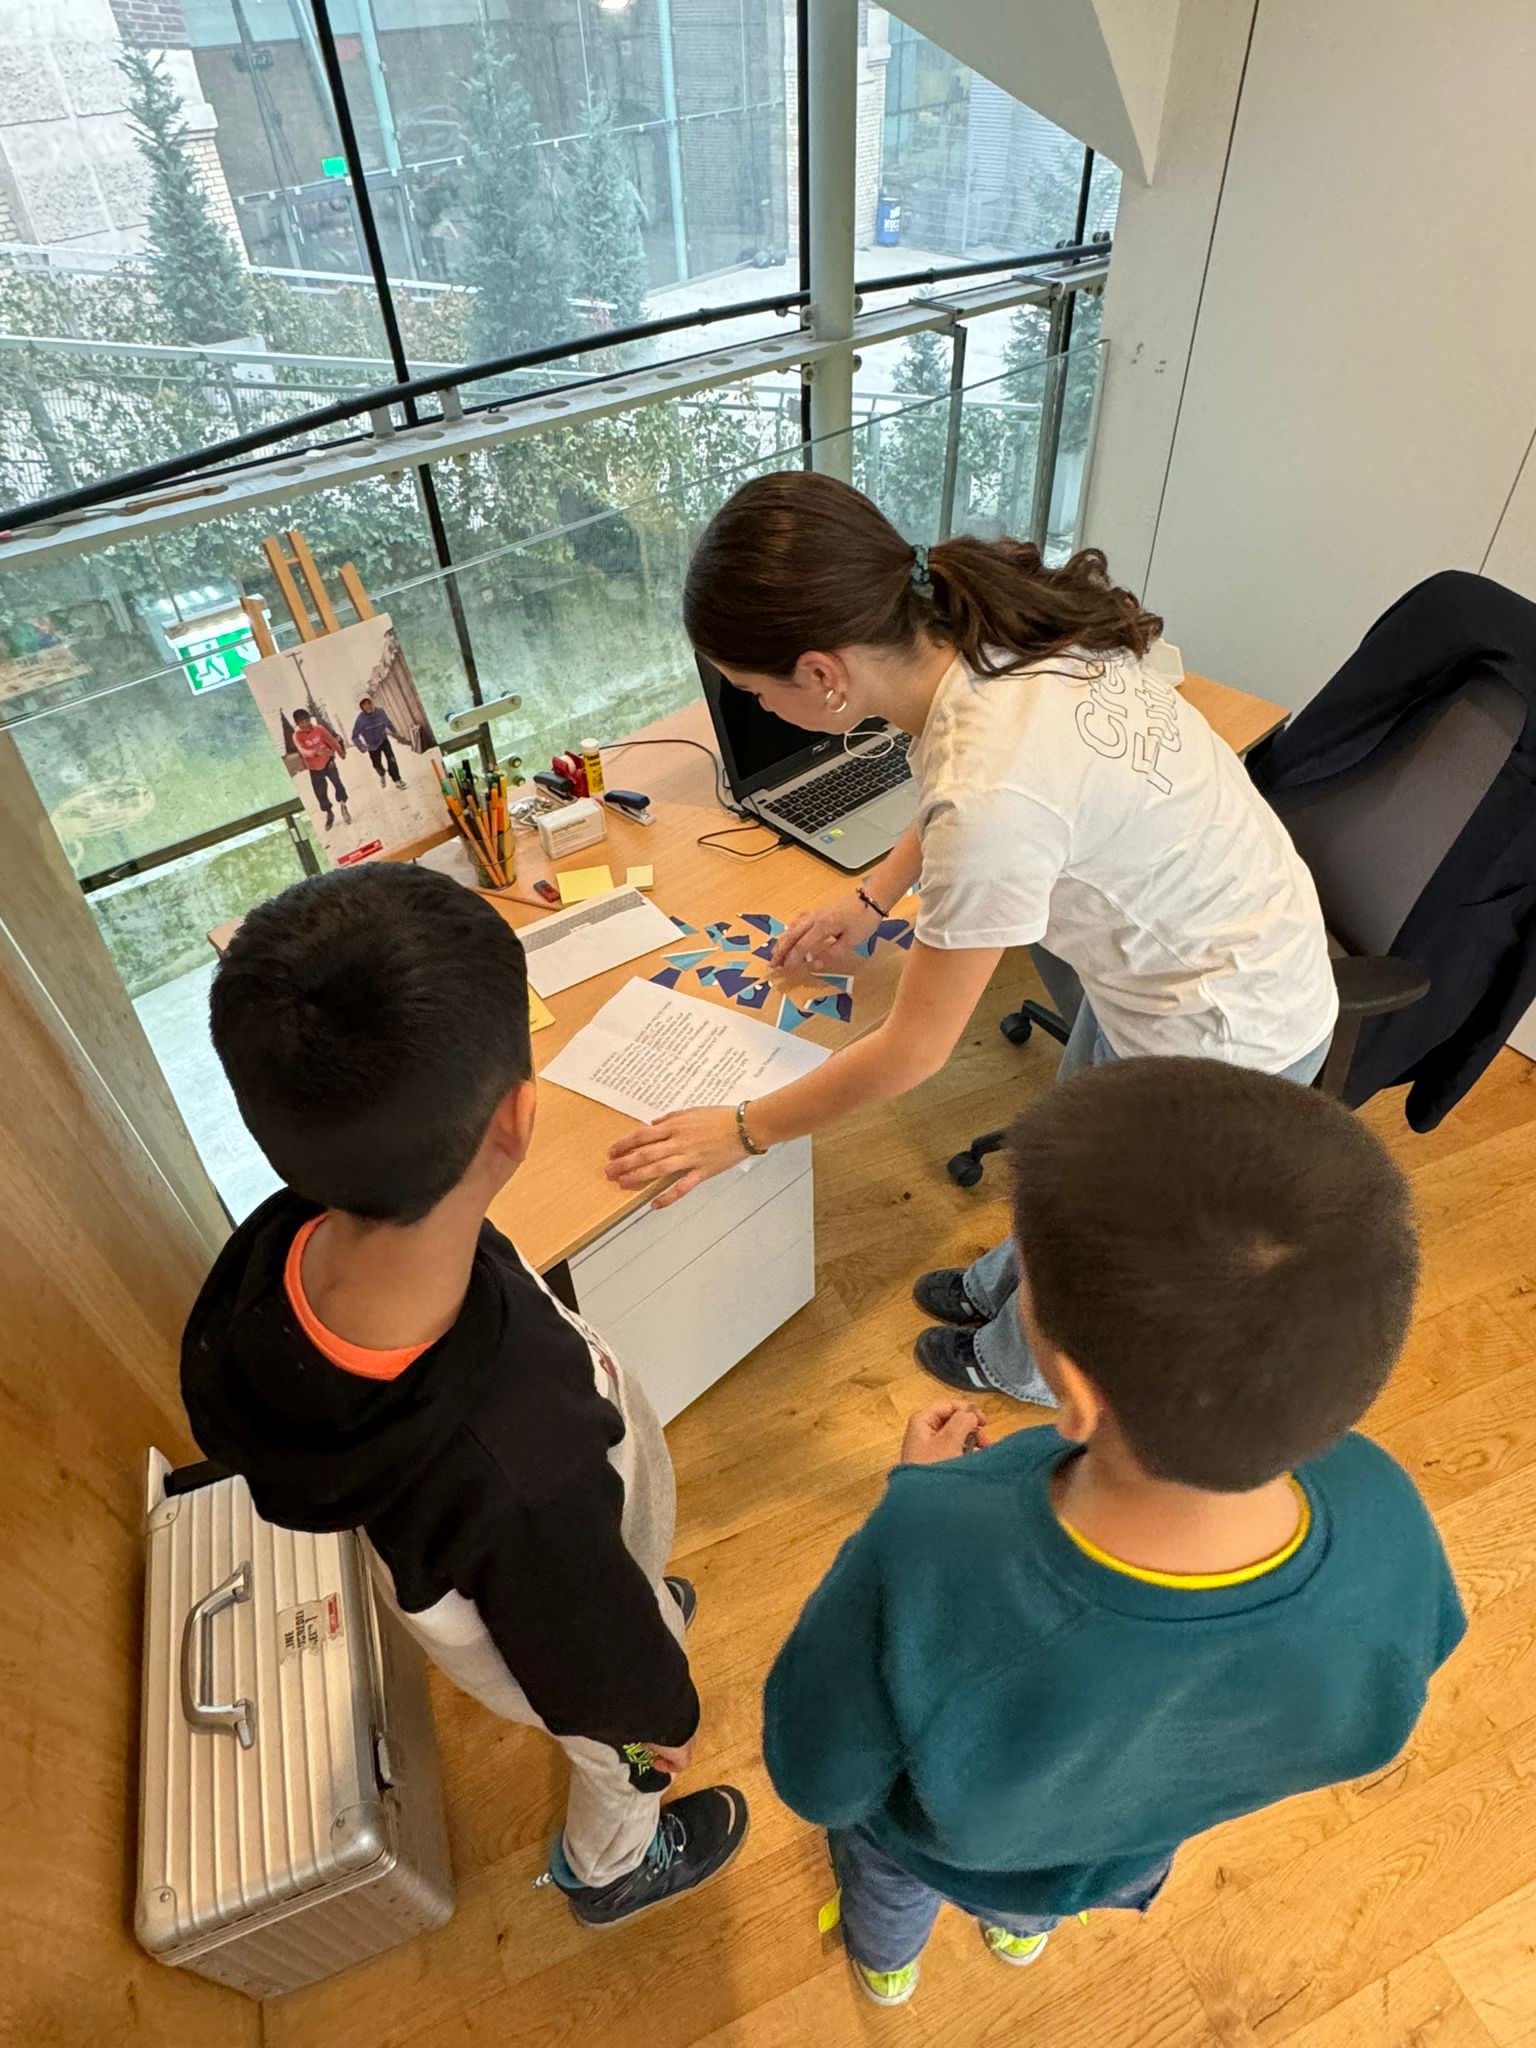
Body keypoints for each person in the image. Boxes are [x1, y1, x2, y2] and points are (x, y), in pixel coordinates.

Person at [605, 472, 1338, 1405]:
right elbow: (964, 789)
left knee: (1101, 1231)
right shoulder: (981, 627)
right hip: (1184, 954)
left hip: (1232, 1029)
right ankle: (1005, 1285)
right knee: (1067, 1158)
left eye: (755, 692)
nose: (761, 710)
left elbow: (913, 1050)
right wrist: (873, 897)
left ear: (823, 674)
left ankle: (1018, 1367)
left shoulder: (989, 792)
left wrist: (744, 1131)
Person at [763, 1058, 1463, 2008]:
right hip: (1119, 1857)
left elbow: (820, 1777)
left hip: (937, 1847)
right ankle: (1023, 1934)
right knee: (1036, 1900)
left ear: (1077, 1394)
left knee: (886, 1888)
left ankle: (887, 1964)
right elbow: (1377, 1710)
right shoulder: (1386, 1506)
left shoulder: (929, 1538)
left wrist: (922, 1489)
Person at [181, 864, 748, 1927]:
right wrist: (655, 1713)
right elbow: (592, 1663)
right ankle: (610, 1869)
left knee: (609, 1598)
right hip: (579, 1630)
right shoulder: (523, 1464)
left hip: (530, 1573)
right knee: (623, 1759)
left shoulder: (291, 1241)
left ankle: (640, 1609)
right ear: (516, 1120)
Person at [290, 706, 351, 832]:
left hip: (328, 762)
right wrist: (314, 752)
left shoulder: (319, 729)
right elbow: (302, 750)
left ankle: (343, 805)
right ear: (297, 724)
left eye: (307, 720)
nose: (306, 724)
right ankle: (329, 812)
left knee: (338, 784)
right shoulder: (297, 736)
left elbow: (331, 741)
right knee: (320, 792)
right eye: (302, 722)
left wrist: (340, 752)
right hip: (314, 768)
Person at [352, 694, 407, 791]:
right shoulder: (360, 720)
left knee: (391, 759)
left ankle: (397, 780)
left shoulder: (380, 712)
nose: (368, 706)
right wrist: (361, 746)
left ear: (372, 703)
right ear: (362, 708)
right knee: (376, 765)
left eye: (369, 703)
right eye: (364, 705)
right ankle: (382, 773)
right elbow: (354, 736)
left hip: (383, 739)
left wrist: (396, 732)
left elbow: (388, 722)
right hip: (371, 745)